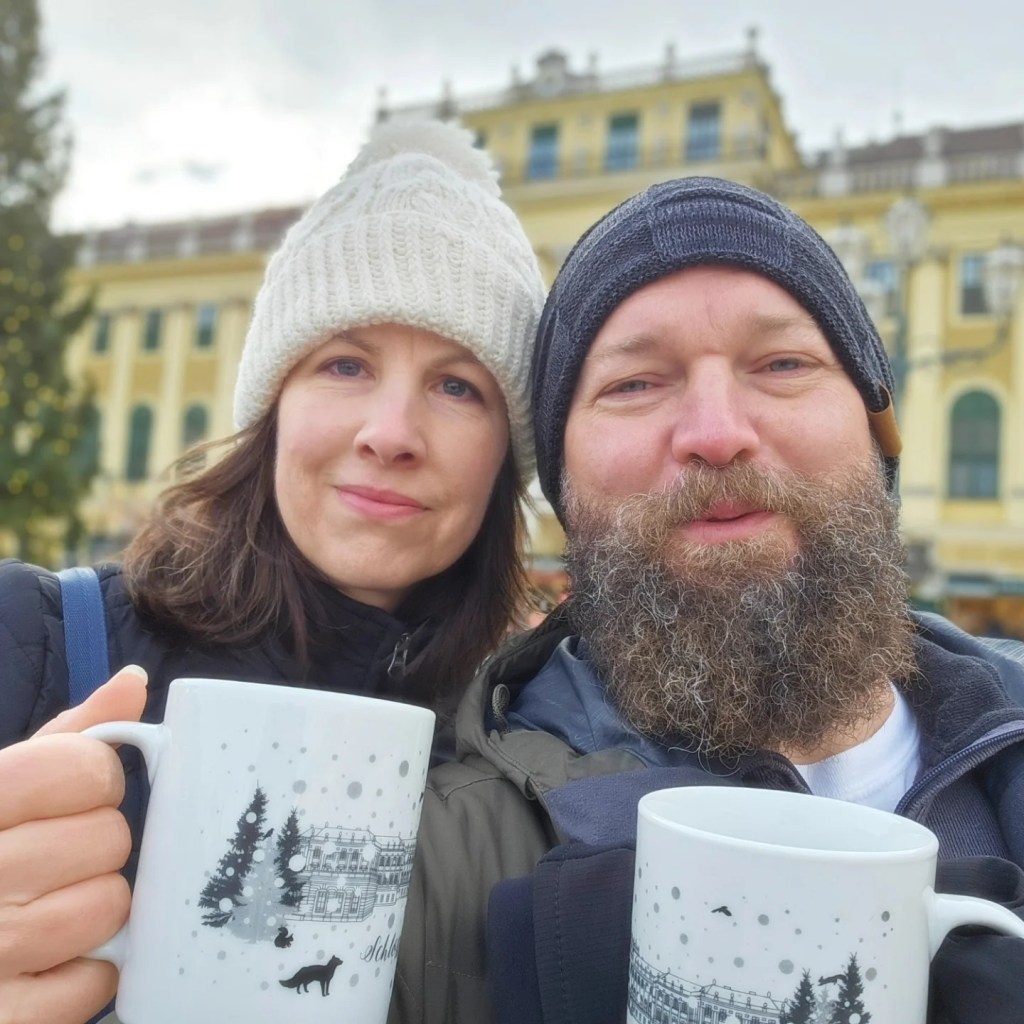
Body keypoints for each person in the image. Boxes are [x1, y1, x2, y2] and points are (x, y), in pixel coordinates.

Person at [388, 177, 1024, 1024]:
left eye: (784, 364)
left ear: (880, 437)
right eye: (636, 383)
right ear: (564, 490)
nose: (717, 432)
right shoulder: (417, 866)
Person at [0, 118, 545, 1022]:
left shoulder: (522, 747)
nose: (391, 433)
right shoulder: (31, 638)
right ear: (274, 408)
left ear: (506, 458)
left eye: (458, 386)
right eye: (345, 364)